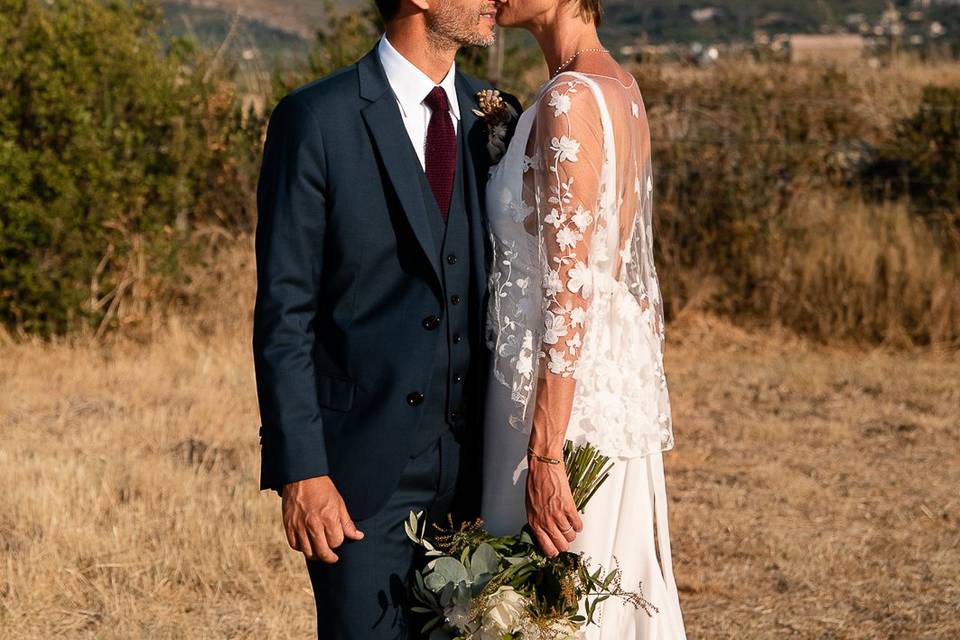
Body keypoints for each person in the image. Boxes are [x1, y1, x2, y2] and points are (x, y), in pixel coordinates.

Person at [251, 0, 518, 636]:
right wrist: (302, 470)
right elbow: (285, 311)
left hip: (482, 476)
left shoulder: (499, 116)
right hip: (359, 479)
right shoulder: (316, 118)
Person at [480, 0, 687, 636]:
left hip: (554, 400)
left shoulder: (570, 97)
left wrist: (545, 453)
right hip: (604, 383)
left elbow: (567, 290)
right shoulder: (619, 88)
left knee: (553, 605)